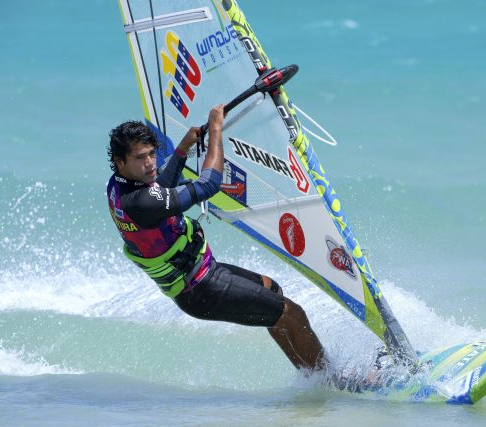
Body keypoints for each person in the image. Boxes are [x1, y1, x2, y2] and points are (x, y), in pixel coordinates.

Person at [106, 105, 328, 372]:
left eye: (152, 154)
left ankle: (311, 376)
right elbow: (209, 185)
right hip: (202, 289)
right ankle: (333, 382)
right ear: (121, 161)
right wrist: (215, 130)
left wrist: (182, 149)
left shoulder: (119, 185)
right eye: (141, 158)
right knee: (293, 314)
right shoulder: (140, 202)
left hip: (203, 274)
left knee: (272, 291)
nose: (151, 163)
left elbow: (161, 190)